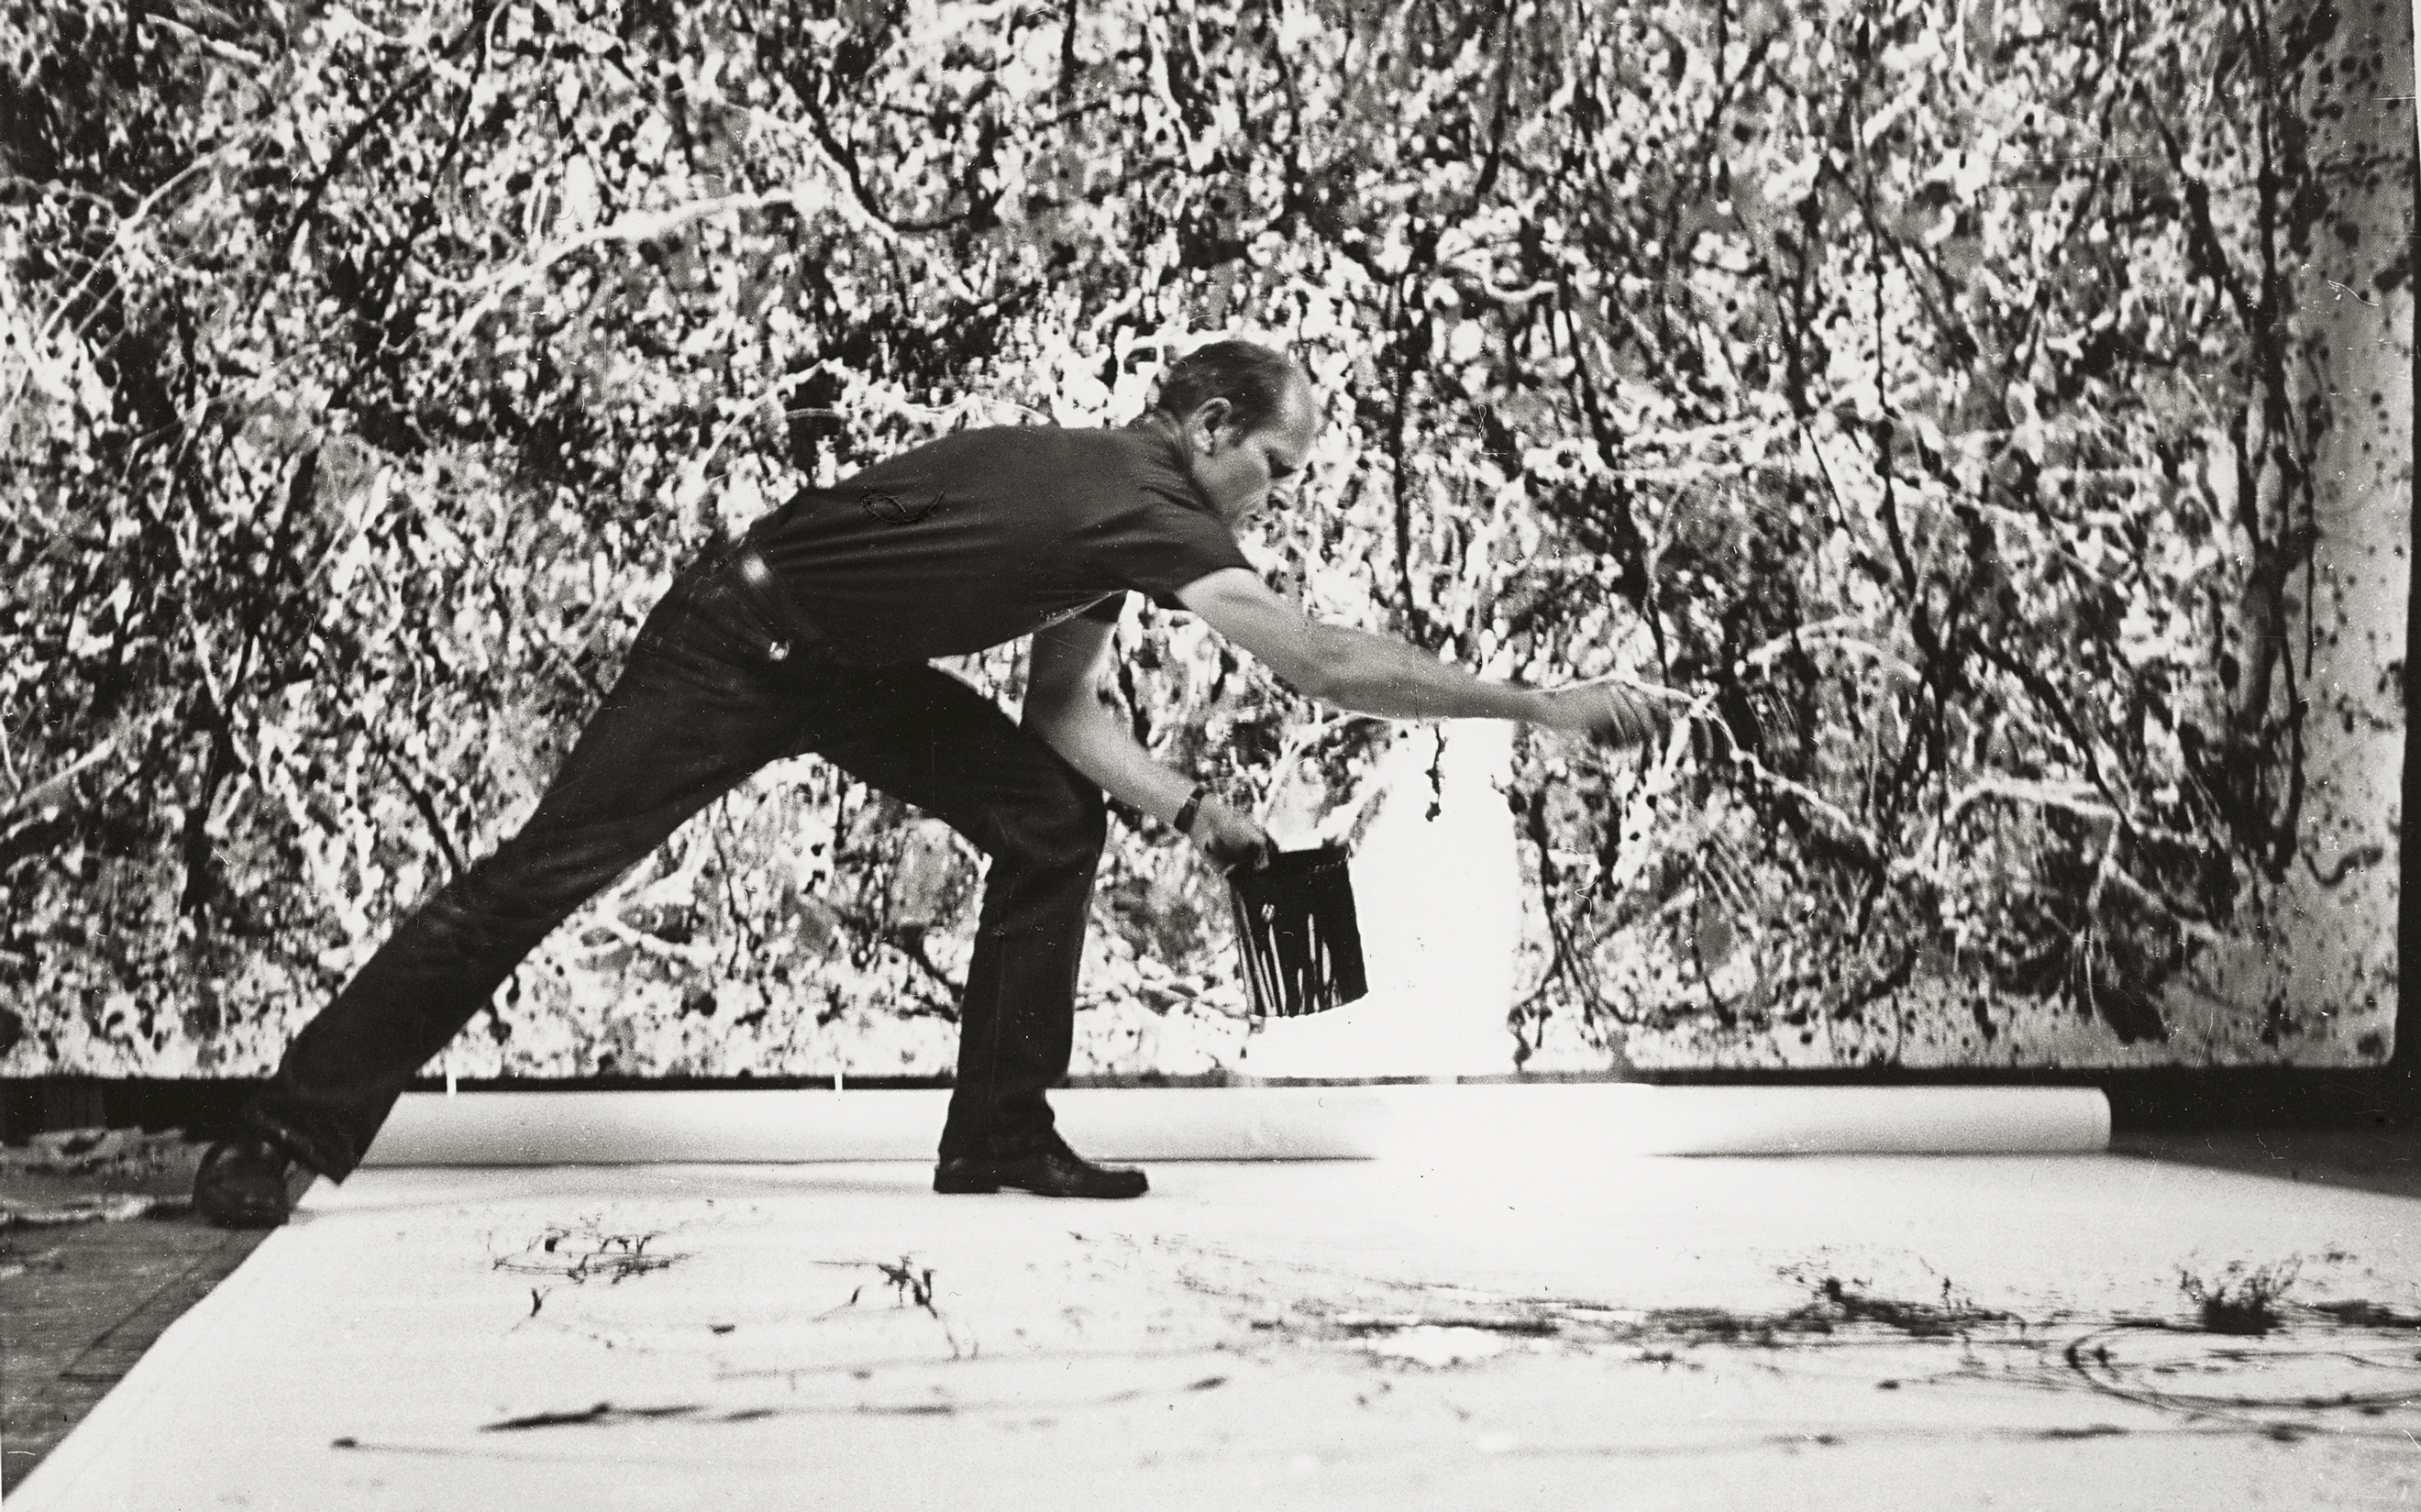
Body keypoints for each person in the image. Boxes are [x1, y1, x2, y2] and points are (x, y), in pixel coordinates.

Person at [193, 339, 1669, 1223]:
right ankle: (285, 1131)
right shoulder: (1138, 499)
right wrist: (1534, 701)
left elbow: (1063, 719)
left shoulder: (1115, 524)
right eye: (1273, 470)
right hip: (734, 639)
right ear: (1209, 428)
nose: (1271, 502)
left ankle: (998, 1134)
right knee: (541, 880)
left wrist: (1197, 817)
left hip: (828, 663)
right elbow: (1321, 661)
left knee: (1045, 815)